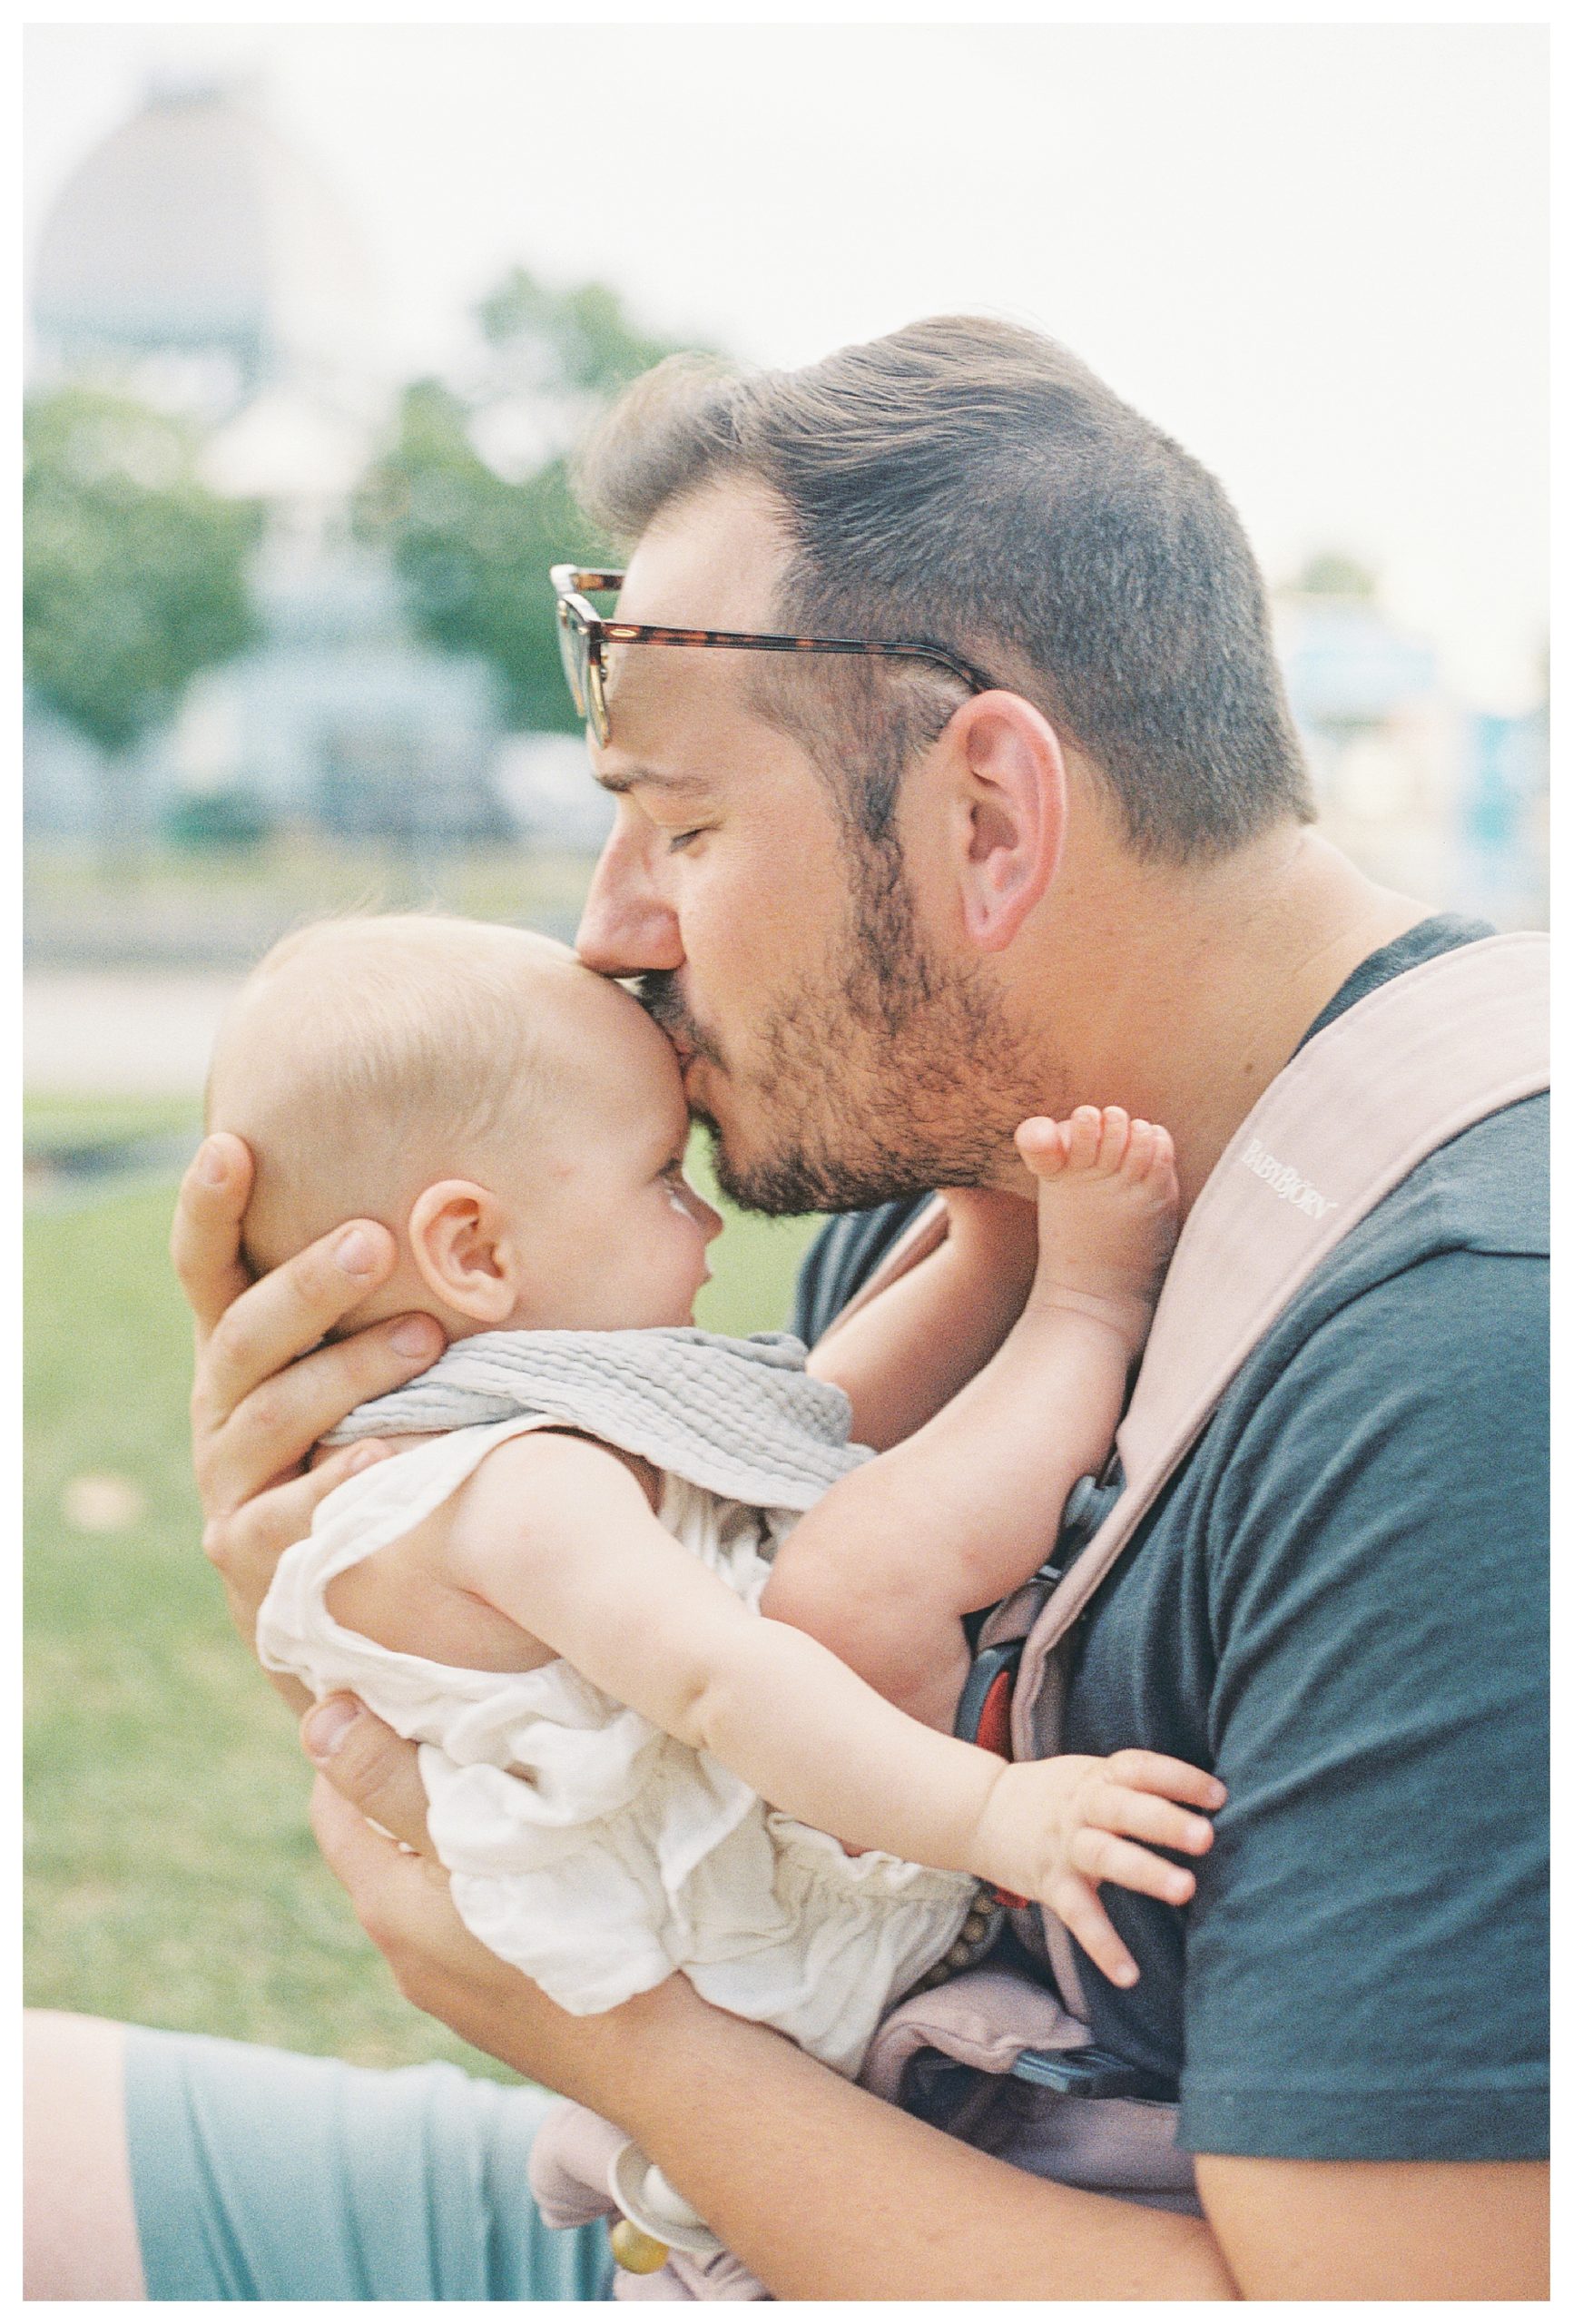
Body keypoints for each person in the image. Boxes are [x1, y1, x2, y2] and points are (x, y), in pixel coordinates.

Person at [25, 316, 1547, 2299]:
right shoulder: (947, 1204)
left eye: (681, 825)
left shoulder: (1476, 1374)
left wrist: (585, 2010)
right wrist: (398, 1605)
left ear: (984, 815)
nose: (605, 929)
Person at [211, 909, 1214, 2056]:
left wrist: (980, 1239)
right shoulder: (509, 1490)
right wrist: (995, 1814)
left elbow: (801, 1424)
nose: (705, 1226)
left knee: (811, 1473)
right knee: (854, 1572)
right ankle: (1086, 1312)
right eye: (662, 1179)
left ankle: (1008, 1266)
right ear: (477, 1252)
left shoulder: (504, 1430)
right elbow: (721, 1683)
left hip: (786, 1844)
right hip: (768, 1938)